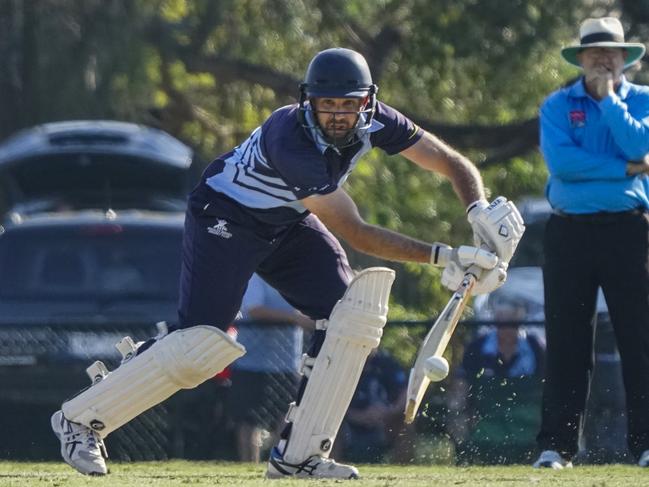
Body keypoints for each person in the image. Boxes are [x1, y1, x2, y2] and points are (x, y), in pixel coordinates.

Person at [50, 47, 524, 479]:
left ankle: (299, 456)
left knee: (349, 315)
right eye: (327, 105)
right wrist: (445, 255)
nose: (338, 115)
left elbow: (449, 161)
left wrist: (478, 210)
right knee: (198, 346)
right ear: (308, 102)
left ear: (367, 101)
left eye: (348, 104)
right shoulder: (290, 138)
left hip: (285, 223)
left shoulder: (377, 119)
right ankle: (79, 420)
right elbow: (355, 231)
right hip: (227, 216)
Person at [534, 17, 649, 469]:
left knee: (639, 338)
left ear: (625, 58)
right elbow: (563, 165)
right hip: (569, 231)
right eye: (595, 51)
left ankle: (645, 444)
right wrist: (625, 168)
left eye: (612, 51)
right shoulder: (557, 105)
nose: (604, 57)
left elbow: (640, 143)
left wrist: (609, 104)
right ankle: (556, 447)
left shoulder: (641, 100)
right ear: (580, 59)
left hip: (629, 230)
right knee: (566, 339)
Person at [227, 273, 313, 462]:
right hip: (251, 363)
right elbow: (255, 310)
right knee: (248, 420)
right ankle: (248, 466)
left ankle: (279, 464)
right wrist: (295, 319)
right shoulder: (256, 276)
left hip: (287, 364)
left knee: (286, 418)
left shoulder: (297, 276)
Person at [448, 301, 544, 465]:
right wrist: (457, 407)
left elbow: (545, 385)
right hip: (486, 416)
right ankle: (465, 461)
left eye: (512, 325)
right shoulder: (478, 347)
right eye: (501, 325)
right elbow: (462, 383)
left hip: (527, 417)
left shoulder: (535, 347)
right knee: (457, 417)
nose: (506, 330)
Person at [336, 348, 413, 464]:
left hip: (384, 422)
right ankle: (331, 466)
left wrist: (390, 412)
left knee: (406, 423)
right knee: (332, 426)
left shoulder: (386, 363)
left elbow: (406, 391)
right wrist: (355, 415)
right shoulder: (341, 365)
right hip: (348, 423)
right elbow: (331, 399)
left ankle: (402, 467)